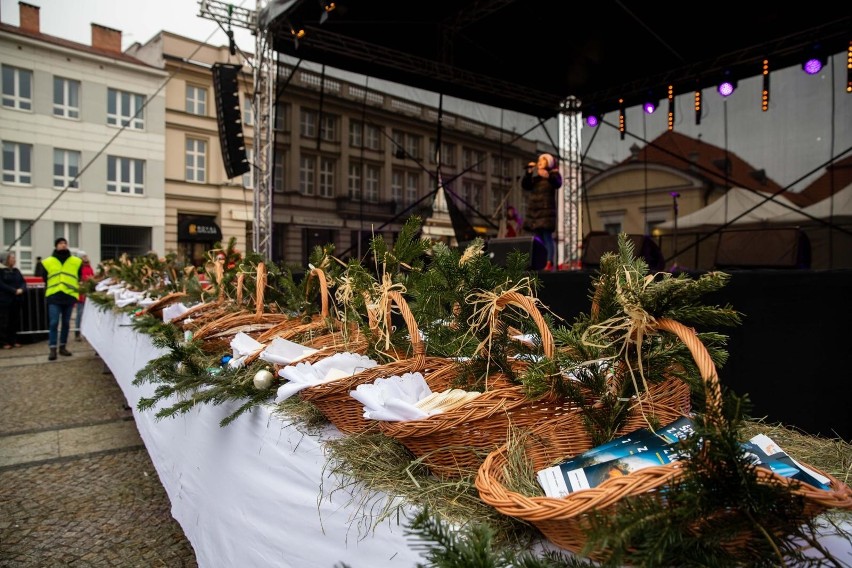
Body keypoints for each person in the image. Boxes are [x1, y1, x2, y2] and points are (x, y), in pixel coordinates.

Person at [42, 237, 82, 360]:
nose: (63, 245)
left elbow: (78, 276)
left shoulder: (76, 261)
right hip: (54, 295)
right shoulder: (47, 262)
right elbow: (45, 278)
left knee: (65, 323)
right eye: (60, 243)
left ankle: (63, 347)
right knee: (54, 322)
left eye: (65, 243)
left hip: (69, 295)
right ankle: (52, 348)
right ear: (56, 246)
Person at [521, 153, 563, 271]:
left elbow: (558, 183)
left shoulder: (553, 174)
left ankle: (549, 262)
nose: (539, 162)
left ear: (548, 162)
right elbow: (526, 185)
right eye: (539, 160)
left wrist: (548, 176)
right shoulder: (536, 178)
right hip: (535, 212)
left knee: (547, 237)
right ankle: (540, 262)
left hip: (545, 212)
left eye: (542, 160)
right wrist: (529, 173)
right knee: (538, 239)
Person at [0, 251, 27, 349]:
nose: (14, 260)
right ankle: (3, 341)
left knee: (14, 321)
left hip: (16, 300)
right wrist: (13, 290)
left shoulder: (16, 271)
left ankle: (13, 340)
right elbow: (1, 284)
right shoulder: (1, 271)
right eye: (12, 258)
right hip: (4, 300)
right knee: (4, 321)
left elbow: (23, 282)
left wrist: (22, 289)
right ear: (6, 259)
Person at [74, 251, 95, 340]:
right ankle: (77, 332)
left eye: (86, 256)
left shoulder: (89, 267)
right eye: (83, 256)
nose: (85, 258)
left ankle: (86, 332)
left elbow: (91, 276)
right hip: (81, 294)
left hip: (88, 293)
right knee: (80, 314)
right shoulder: (78, 267)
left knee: (87, 314)